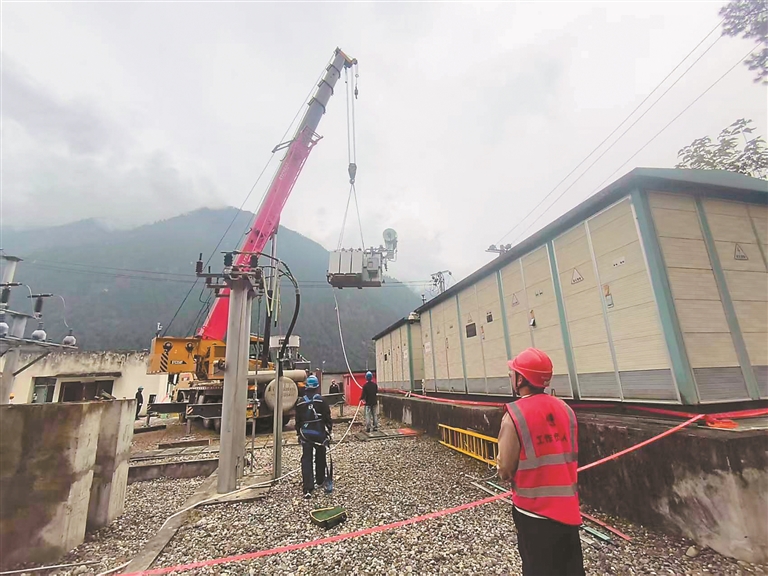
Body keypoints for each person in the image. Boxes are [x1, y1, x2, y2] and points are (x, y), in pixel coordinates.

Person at [497, 348, 584, 576]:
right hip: (568, 509)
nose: (511, 376)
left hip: (532, 511)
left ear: (521, 379)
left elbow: (505, 469)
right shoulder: (565, 409)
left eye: (513, 372)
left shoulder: (515, 415)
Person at [294, 375, 332, 498]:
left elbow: (298, 421)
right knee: (320, 455)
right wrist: (329, 430)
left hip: (306, 435)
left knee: (307, 459)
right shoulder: (322, 401)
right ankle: (320, 479)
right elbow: (327, 418)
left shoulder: (300, 403)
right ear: (317, 387)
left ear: (306, 387)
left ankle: (308, 487)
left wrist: (299, 433)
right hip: (319, 433)